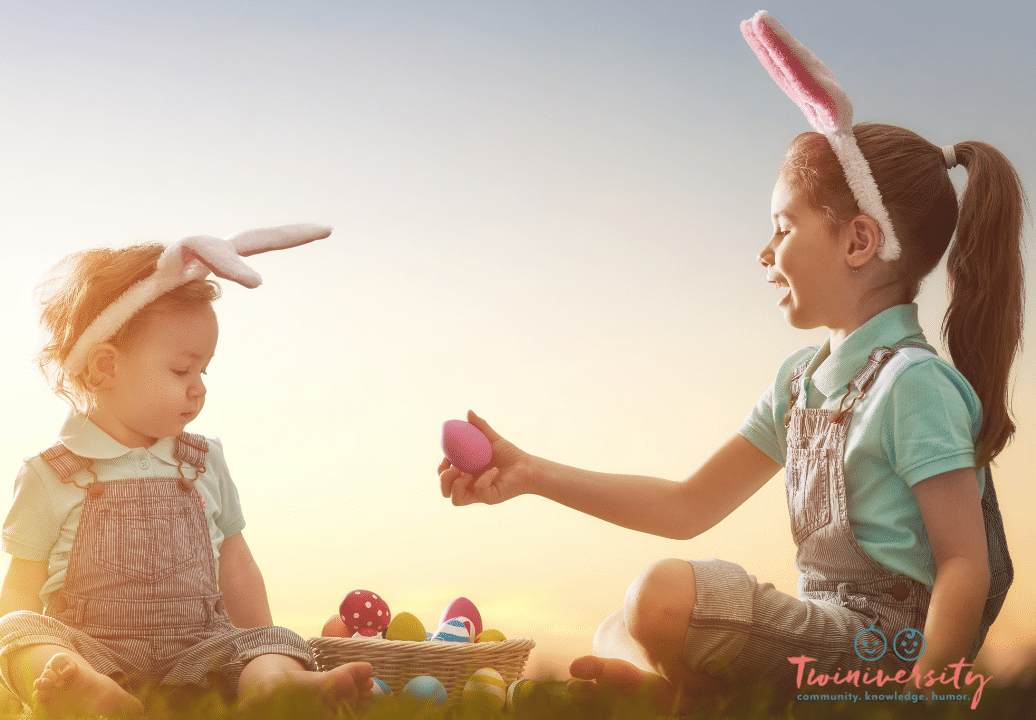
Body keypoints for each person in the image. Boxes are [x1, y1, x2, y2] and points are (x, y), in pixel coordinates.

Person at [438, 91, 1024, 718]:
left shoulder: (914, 384)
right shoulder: (800, 382)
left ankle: (688, 699)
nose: (765, 252)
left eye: (784, 226)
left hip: (884, 657)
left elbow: (964, 562)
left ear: (858, 242)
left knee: (660, 596)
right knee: (625, 622)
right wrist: (529, 473)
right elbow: (685, 506)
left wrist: (925, 693)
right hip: (820, 642)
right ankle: (696, 698)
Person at [0, 228, 373, 717]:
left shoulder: (204, 459)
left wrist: (260, 646)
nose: (199, 389)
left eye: (204, 371)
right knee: (15, 628)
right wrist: (14, 666)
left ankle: (274, 689)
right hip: (91, 654)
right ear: (106, 366)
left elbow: (236, 562)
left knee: (274, 641)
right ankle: (84, 694)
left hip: (201, 654)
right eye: (182, 370)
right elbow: (21, 585)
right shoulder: (51, 473)